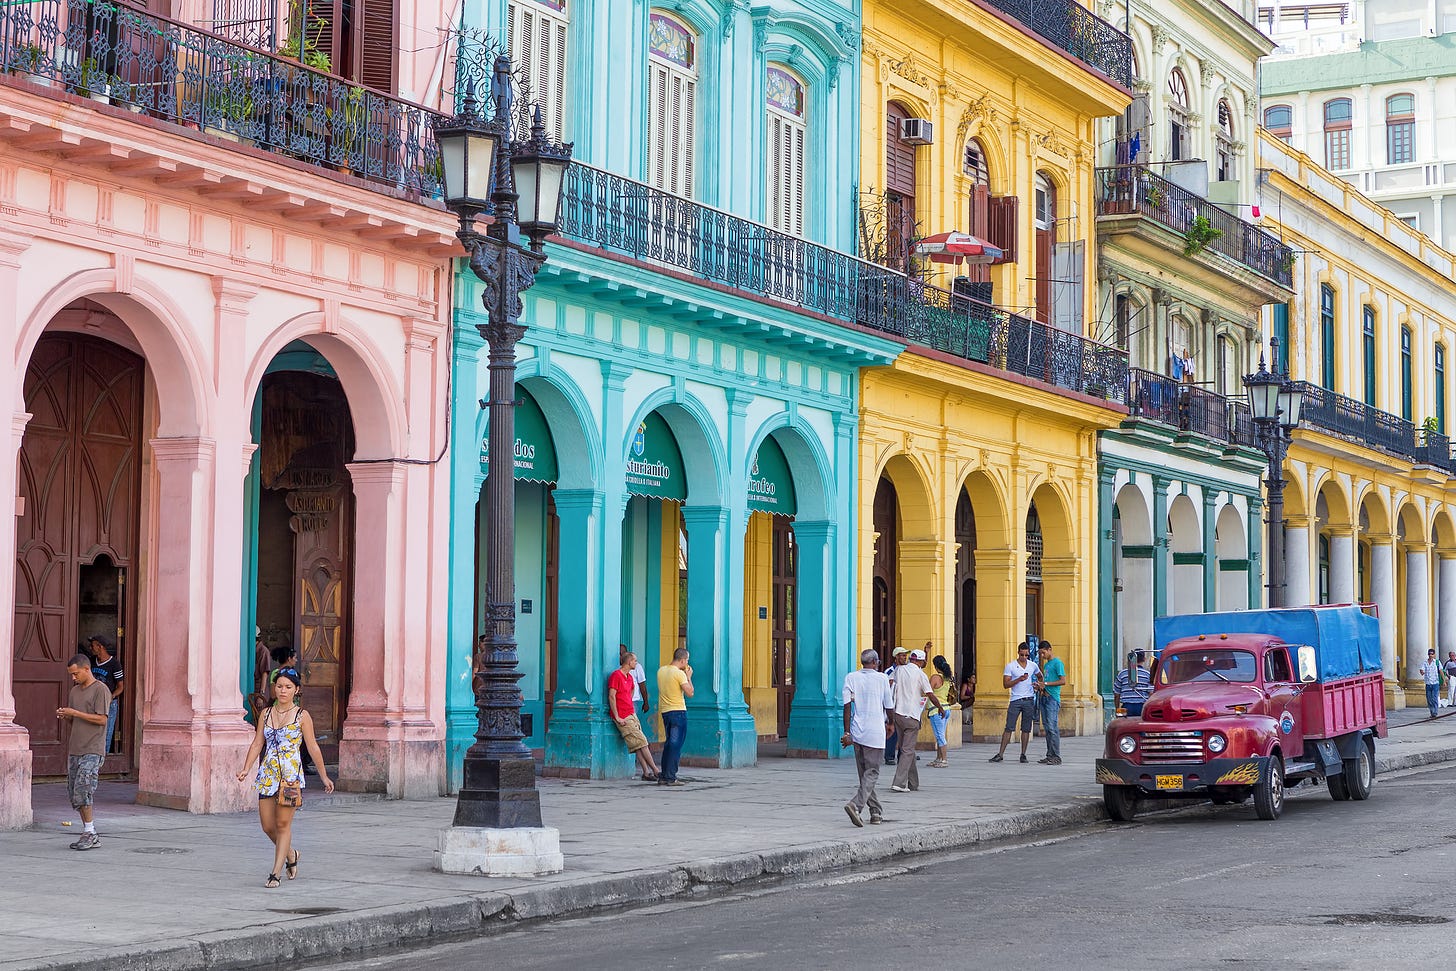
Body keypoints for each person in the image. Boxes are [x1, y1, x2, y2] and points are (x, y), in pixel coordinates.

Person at [237, 667, 333, 888]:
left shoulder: (302, 716)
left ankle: (275, 873)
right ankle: (291, 854)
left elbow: (313, 747)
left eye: (288, 687)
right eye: (279, 686)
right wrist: (246, 768)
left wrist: (324, 776)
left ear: (296, 690)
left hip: (291, 778)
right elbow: (257, 743)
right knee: (267, 826)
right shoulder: (266, 713)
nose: (283, 690)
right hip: (268, 775)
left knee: (282, 825)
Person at [57, 655, 111, 850]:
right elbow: (75, 721)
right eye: (71, 674)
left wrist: (76, 713)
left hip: (93, 748)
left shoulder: (100, 690)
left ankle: (89, 832)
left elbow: (102, 719)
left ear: (86, 669)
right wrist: (67, 716)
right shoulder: (74, 692)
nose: (73, 678)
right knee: (75, 793)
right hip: (76, 748)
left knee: (84, 788)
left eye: (75, 673)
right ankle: (89, 832)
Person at [841, 649, 895, 827]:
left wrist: (847, 732)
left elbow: (847, 706)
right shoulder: (881, 679)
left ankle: (876, 812)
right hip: (875, 732)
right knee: (872, 773)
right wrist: (891, 724)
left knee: (865, 775)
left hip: (857, 733)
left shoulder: (851, 677)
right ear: (875, 662)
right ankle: (855, 805)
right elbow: (889, 705)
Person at [889, 648, 946, 793]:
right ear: (921, 661)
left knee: (907, 749)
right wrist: (940, 707)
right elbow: (930, 694)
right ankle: (899, 782)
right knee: (907, 751)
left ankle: (913, 783)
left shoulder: (899, 670)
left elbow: (890, 683)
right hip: (912, 715)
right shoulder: (921, 674)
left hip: (898, 715)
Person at [608, 651, 661, 781]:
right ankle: (656, 770)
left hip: (631, 713)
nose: (636, 663)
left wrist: (629, 705)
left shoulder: (629, 677)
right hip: (623, 717)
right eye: (635, 661)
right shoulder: (616, 675)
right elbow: (611, 696)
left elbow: (632, 691)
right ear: (629, 662)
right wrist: (617, 716)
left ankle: (646, 772)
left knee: (637, 744)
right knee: (642, 742)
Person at [989, 642, 1039, 764]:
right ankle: (1000, 754)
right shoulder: (1011, 666)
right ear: (1018, 653)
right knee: (1009, 727)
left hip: (1028, 699)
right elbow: (1005, 684)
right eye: (1022, 654)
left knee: (1026, 729)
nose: (1024, 657)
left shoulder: (1032, 665)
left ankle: (1023, 754)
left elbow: (1040, 676)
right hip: (1015, 700)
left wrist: (1038, 686)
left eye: (1027, 655)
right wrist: (1018, 679)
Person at [656, 648, 693, 786]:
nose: (687, 662)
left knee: (669, 744)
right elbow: (690, 692)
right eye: (687, 660)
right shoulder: (679, 674)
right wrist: (688, 677)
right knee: (676, 745)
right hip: (678, 711)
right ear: (682, 660)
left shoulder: (661, 671)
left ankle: (665, 775)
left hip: (666, 711)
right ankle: (671, 777)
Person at [88, 635, 124, 755]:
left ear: (100, 647)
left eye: (92, 645)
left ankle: (103, 760)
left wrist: (111, 696)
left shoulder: (114, 664)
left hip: (108, 704)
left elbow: (120, 687)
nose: (90, 648)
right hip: (92, 702)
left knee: (106, 733)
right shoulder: (92, 661)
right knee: (91, 732)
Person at [1035, 641, 1066, 766]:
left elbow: (1062, 680)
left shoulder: (1057, 663)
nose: (1042, 655)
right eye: (1040, 653)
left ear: (1049, 650)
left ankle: (1056, 756)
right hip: (1044, 697)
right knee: (1047, 728)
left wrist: (1046, 684)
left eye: (1043, 652)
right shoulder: (1047, 665)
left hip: (1052, 699)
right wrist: (1040, 686)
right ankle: (1049, 755)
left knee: (1053, 728)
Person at [927, 652, 956, 767]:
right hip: (946, 708)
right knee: (940, 734)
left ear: (936, 666)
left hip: (937, 709)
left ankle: (944, 760)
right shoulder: (948, 678)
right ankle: (938, 758)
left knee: (940, 736)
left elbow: (928, 691)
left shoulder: (935, 678)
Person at [883, 646, 907, 764]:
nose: (905, 657)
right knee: (892, 731)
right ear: (896, 657)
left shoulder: (906, 670)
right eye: (902, 655)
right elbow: (884, 688)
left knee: (904, 731)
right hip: (892, 706)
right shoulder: (889, 672)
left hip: (904, 705)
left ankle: (903, 754)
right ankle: (889, 756)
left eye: (905, 655)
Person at [1112, 651, 1153, 716]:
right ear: (1144, 659)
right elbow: (1151, 693)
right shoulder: (1148, 675)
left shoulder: (1122, 674)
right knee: (1140, 725)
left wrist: (1117, 709)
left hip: (1125, 706)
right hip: (1142, 706)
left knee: (1123, 724)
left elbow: (1116, 694)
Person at [619, 643, 651, 717]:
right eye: (619, 654)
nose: (621, 657)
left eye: (622, 654)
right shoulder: (616, 668)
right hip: (621, 702)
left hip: (633, 701)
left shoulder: (637, 667)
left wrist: (646, 702)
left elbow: (642, 685)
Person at [1419, 649, 1443, 719]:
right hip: (1428, 683)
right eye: (1429, 654)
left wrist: (1444, 681)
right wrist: (1422, 672)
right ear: (1428, 654)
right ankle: (1432, 712)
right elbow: (1421, 670)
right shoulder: (1425, 662)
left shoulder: (1437, 662)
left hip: (1435, 682)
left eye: (1432, 654)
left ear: (1434, 654)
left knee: (1434, 698)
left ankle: (1435, 712)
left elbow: (1441, 671)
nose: (1430, 655)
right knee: (1429, 699)